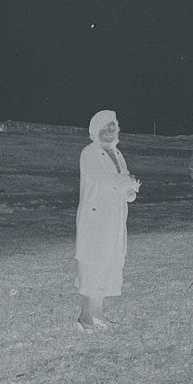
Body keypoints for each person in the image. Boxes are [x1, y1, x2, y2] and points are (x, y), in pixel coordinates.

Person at [75, 110, 140, 331]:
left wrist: (130, 191)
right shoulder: (89, 152)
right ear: (95, 131)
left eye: (113, 127)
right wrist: (127, 181)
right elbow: (105, 180)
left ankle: (98, 315)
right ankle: (85, 317)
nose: (110, 131)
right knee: (92, 263)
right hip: (96, 219)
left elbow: (126, 186)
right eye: (105, 127)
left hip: (115, 219)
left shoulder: (117, 153)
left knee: (109, 263)